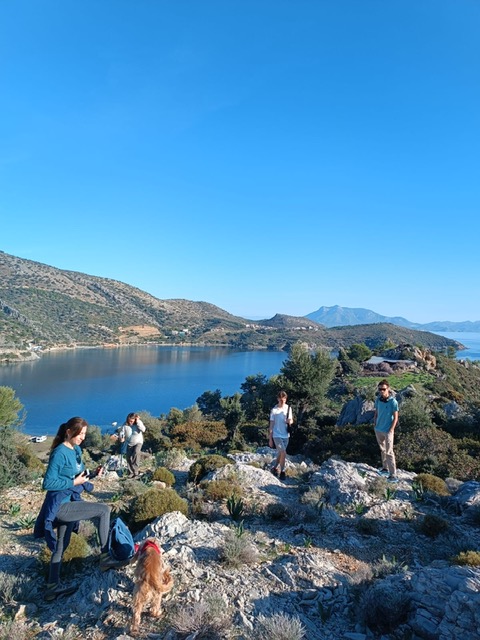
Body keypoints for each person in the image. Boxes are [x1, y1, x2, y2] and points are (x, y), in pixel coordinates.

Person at [34, 417, 126, 601]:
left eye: (84, 434)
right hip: (60, 506)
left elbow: (79, 473)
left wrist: (92, 474)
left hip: (69, 502)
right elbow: (48, 483)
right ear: (69, 432)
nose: (83, 437)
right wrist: (73, 482)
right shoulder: (59, 452)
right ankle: (106, 557)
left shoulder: (75, 450)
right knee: (104, 510)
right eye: (80, 433)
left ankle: (52, 586)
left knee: (61, 546)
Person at [373, 380, 399, 482]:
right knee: (382, 450)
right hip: (378, 429)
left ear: (388, 389)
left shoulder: (393, 402)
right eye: (380, 389)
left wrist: (391, 430)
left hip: (388, 431)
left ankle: (393, 475)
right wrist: (375, 423)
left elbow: (396, 417)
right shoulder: (378, 400)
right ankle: (385, 469)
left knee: (389, 452)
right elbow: (376, 412)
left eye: (383, 389)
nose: (381, 391)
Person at [268, 391, 293, 481]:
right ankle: (282, 472)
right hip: (276, 435)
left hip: (286, 435)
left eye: (284, 399)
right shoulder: (274, 410)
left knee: (280, 453)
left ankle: (274, 467)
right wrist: (270, 439)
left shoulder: (288, 408)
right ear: (278, 399)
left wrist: (289, 421)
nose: (283, 401)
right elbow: (271, 425)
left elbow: (291, 420)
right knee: (283, 453)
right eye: (281, 400)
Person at [118, 412, 146, 478]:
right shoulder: (125, 425)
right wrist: (121, 438)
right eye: (129, 421)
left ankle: (136, 472)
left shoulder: (138, 423)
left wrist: (138, 421)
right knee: (128, 457)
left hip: (138, 442)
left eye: (132, 421)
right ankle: (131, 472)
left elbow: (143, 429)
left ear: (135, 420)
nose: (130, 422)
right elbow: (122, 432)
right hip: (129, 443)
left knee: (136, 453)